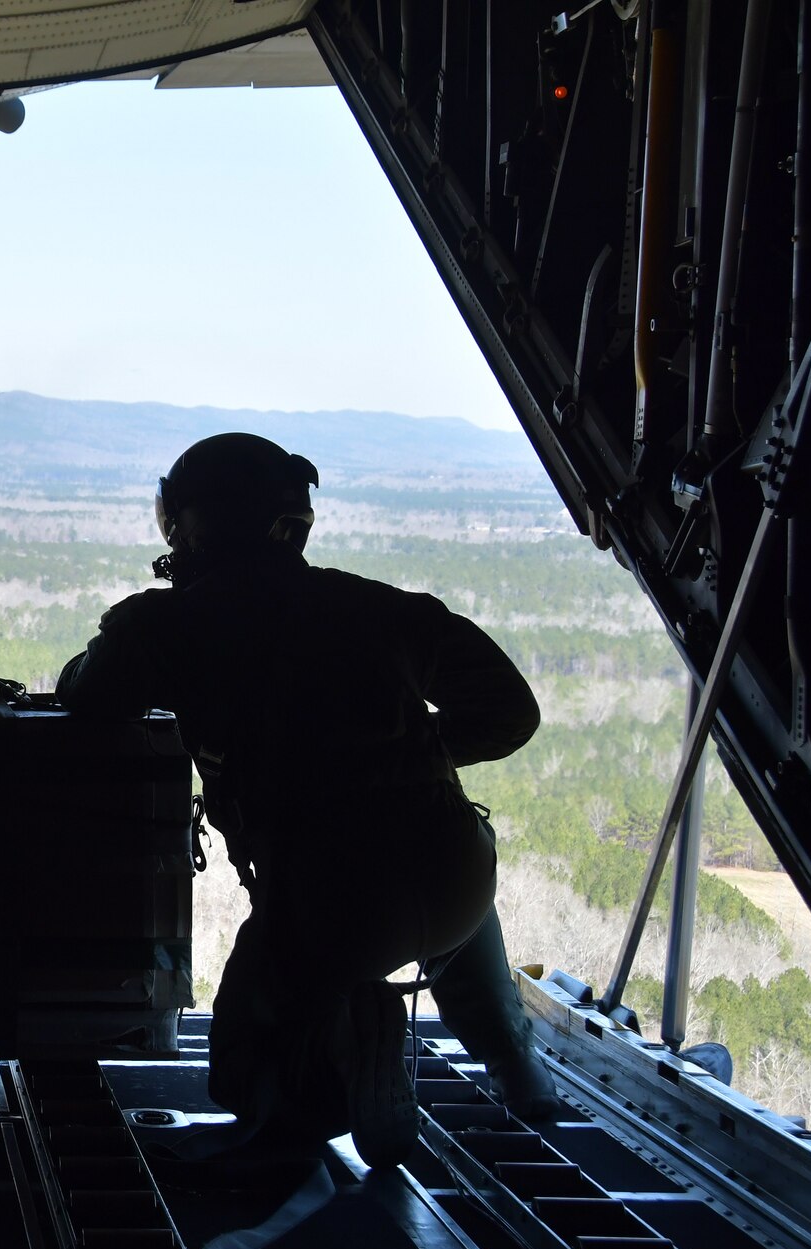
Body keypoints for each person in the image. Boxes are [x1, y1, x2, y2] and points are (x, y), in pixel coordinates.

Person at [56, 432, 549, 1168]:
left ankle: (352, 1045)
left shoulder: (173, 626)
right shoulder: (376, 606)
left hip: (334, 902)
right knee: (436, 853)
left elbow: (84, 690)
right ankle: (519, 1069)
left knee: (242, 1067)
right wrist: (413, 756)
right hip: (456, 881)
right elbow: (513, 711)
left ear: (191, 524)